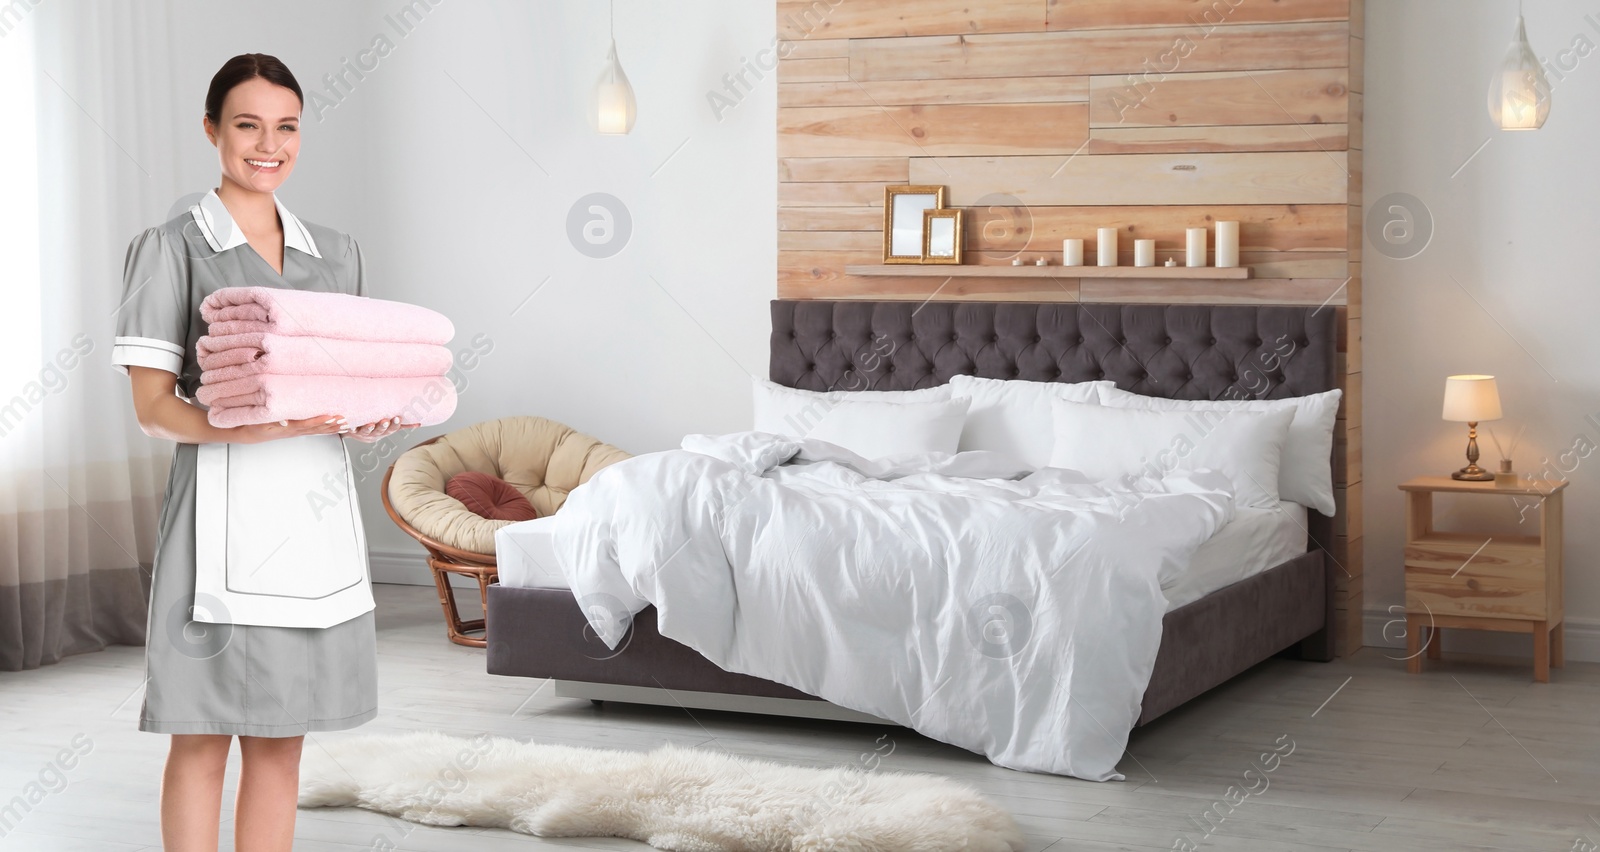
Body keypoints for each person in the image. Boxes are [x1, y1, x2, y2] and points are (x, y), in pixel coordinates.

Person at [113, 53, 414, 852]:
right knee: (204, 734)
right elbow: (151, 409)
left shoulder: (336, 254)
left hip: (313, 531)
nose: (267, 144)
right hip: (219, 528)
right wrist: (240, 428)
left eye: (286, 127)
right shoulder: (173, 247)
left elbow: (344, 382)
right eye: (247, 124)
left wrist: (366, 417)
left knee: (284, 743)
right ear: (212, 130)